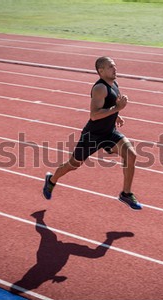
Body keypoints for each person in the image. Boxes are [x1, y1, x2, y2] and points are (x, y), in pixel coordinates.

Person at [42, 56, 142, 210]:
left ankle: (126, 193)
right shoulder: (99, 88)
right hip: (93, 136)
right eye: (110, 67)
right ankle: (52, 180)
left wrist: (117, 115)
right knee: (73, 165)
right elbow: (94, 115)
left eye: (115, 66)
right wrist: (117, 109)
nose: (115, 69)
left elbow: (108, 105)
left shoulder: (114, 83)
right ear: (100, 71)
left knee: (131, 154)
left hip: (109, 133)